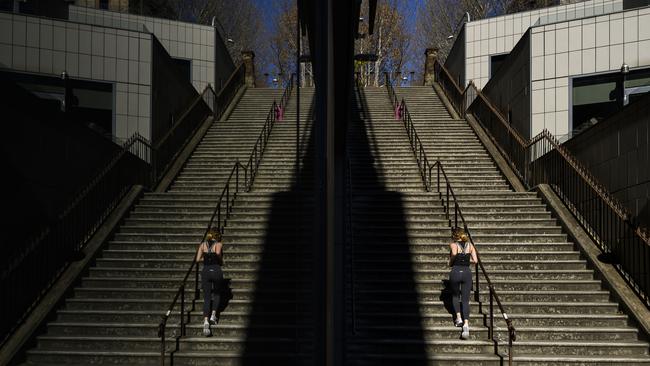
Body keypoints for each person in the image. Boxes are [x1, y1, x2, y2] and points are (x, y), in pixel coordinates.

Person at [448, 227, 478, 340]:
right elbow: (475, 261)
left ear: (455, 235)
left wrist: (450, 262)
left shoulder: (453, 244)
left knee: (455, 296)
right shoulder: (470, 245)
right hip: (467, 272)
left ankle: (458, 318)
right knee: (465, 300)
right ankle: (466, 324)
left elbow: (454, 254)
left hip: (456, 271)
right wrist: (466, 259)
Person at [196, 228, 224, 337]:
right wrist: (220, 260)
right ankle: (213, 315)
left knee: (207, 297)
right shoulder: (219, 244)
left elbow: (198, 259)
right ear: (217, 235)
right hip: (216, 269)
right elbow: (217, 253)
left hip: (206, 271)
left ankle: (206, 321)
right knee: (217, 293)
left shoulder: (202, 245)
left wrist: (206, 257)